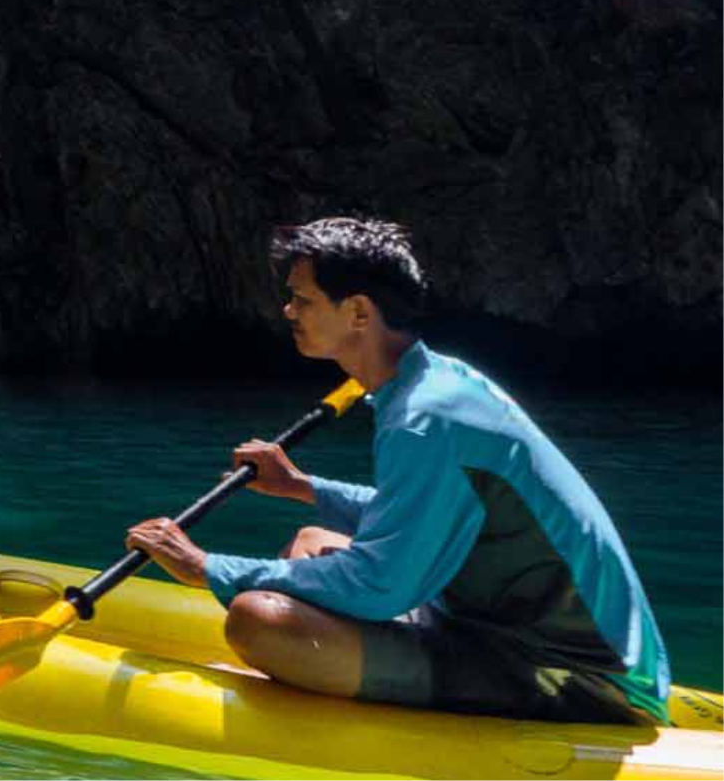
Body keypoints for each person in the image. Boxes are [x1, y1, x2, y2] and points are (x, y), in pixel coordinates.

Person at [125, 217, 671, 726]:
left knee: (257, 620)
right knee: (312, 540)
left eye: (302, 299)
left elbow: (379, 585)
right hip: (488, 625)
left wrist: (206, 567)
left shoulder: (424, 419)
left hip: (571, 675)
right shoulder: (435, 383)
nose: (288, 311)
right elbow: (424, 514)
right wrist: (303, 487)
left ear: (359, 313)